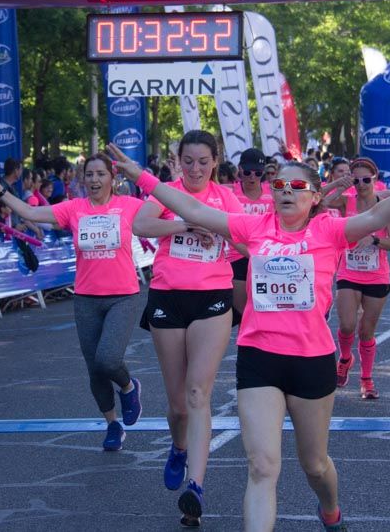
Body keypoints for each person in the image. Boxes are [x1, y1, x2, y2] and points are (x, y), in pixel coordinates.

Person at [110, 143, 390, 532]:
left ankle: (330, 510)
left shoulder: (330, 230)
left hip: (311, 362)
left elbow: (377, 214)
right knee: (261, 466)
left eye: (297, 185)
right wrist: (141, 176)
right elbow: (192, 209)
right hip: (260, 358)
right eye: (280, 185)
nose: (286, 190)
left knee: (315, 464)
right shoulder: (253, 226)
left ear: (314, 196)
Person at [0, 154, 145, 450]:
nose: (94, 180)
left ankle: (128, 386)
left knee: (107, 359)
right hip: (86, 298)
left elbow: (163, 214)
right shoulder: (74, 209)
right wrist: (0, 190)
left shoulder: (129, 206)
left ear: (112, 178)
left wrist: (188, 225)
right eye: (89, 175)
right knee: (94, 369)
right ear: (83, 179)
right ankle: (112, 425)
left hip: (122, 296)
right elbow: (30, 215)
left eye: (100, 174)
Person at [130, 130, 243, 527]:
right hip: (167, 297)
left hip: (212, 297)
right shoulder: (166, 193)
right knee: (178, 405)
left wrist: (222, 230)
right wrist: (183, 225)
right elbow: (140, 226)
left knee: (199, 393)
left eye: (203, 161)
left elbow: (248, 241)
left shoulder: (227, 198)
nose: (195, 168)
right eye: (188, 161)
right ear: (178, 161)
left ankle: (195, 485)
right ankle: (178, 447)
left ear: (215, 162)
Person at [334, 158, 390, 400]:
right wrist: (339, 185)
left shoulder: (385, 205)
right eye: (357, 180)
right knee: (347, 325)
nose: (361, 185)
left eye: (366, 180)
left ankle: (366, 379)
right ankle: (344, 358)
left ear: (375, 179)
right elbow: (317, 201)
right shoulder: (346, 201)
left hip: (376, 276)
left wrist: (374, 240)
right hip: (348, 272)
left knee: (366, 331)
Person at [231, 148, 275, 316]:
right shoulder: (230, 192)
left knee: (265, 311)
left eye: (257, 173)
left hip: (264, 257)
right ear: (240, 169)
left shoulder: (272, 193)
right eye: (247, 172)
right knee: (243, 312)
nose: (252, 177)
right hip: (237, 256)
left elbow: (308, 195)